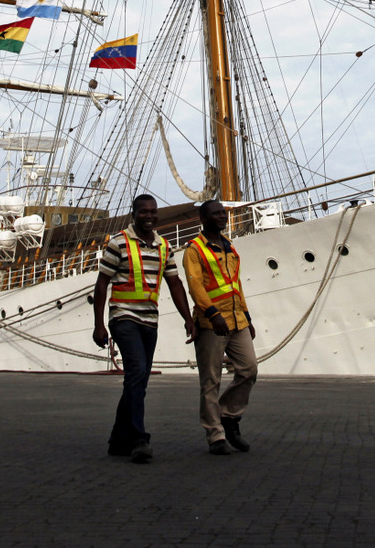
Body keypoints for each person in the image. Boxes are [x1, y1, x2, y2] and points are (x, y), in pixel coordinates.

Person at [92, 193, 193, 463]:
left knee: (139, 381)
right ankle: (139, 439)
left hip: (150, 319)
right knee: (136, 373)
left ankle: (117, 439)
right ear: (133, 214)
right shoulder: (118, 243)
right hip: (123, 318)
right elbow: (102, 283)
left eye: (153, 211)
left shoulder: (164, 246)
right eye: (143, 212)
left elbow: (174, 283)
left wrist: (188, 318)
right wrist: (99, 324)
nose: (149, 216)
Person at [184, 199, 258, 455]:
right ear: (203, 219)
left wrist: (247, 318)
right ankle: (215, 434)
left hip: (237, 320)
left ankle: (228, 415)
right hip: (211, 323)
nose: (221, 217)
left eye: (223, 213)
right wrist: (212, 313)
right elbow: (195, 285)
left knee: (249, 369)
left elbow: (236, 285)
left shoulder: (230, 247)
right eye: (215, 214)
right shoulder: (194, 249)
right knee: (211, 380)